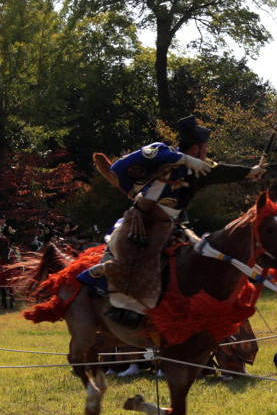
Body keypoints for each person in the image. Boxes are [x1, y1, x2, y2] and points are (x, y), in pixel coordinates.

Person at [87, 116, 266, 327]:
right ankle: (121, 304)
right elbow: (150, 154)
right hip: (142, 216)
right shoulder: (164, 153)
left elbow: (220, 171)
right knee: (131, 247)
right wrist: (187, 160)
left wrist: (250, 172)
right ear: (196, 148)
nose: (206, 152)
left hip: (171, 222)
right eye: (205, 148)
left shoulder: (199, 168)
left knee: (198, 254)